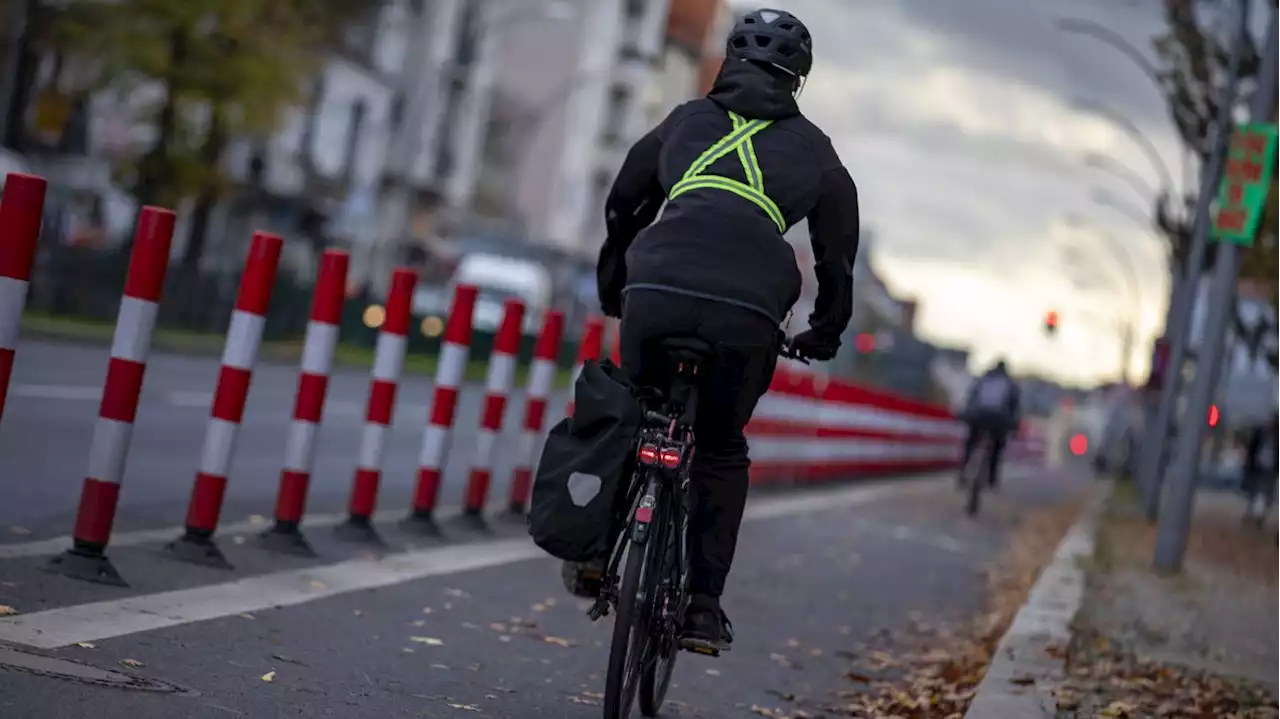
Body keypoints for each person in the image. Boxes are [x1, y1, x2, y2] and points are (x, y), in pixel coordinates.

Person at [561, 8, 861, 654]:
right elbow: (837, 261)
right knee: (721, 447)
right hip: (749, 309)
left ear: (729, 59)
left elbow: (623, 205)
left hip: (656, 287)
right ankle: (701, 607)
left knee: (631, 411)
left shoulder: (685, 121)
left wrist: (617, 285)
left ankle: (592, 552)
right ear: (798, 79)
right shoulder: (817, 153)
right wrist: (823, 333)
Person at [959, 359, 1021, 488]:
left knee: (970, 443)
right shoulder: (1010, 384)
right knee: (996, 448)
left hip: (978, 415)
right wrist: (1014, 426)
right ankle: (992, 479)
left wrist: (965, 414)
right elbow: (1014, 408)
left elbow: (971, 397)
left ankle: (963, 471)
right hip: (998, 419)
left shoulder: (984, 379)